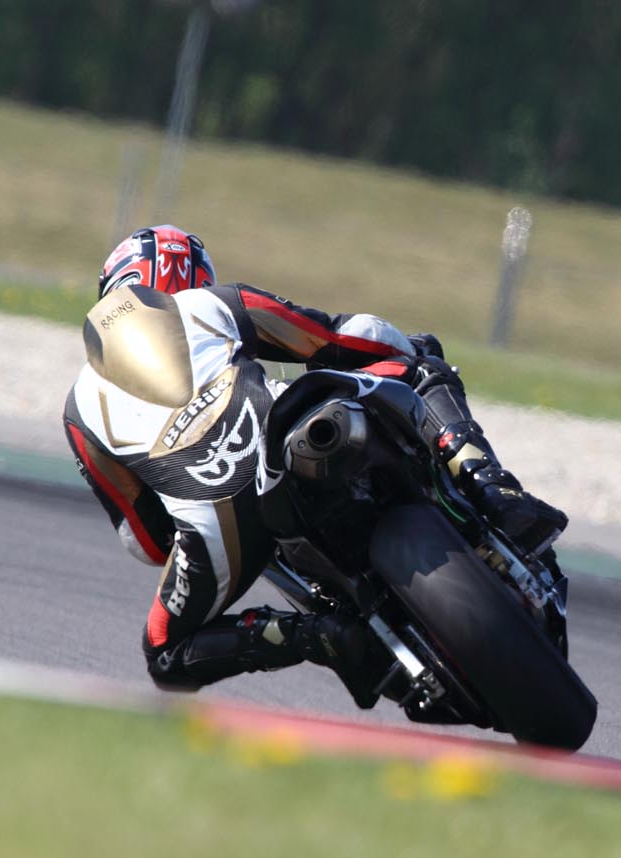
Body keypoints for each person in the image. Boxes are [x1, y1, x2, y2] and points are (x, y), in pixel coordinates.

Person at [62, 224, 566, 695]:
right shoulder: (209, 303)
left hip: (220, 531)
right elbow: (337, 337)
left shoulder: (78, 412)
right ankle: (492, 488)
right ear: (192, 276)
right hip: (287, 435)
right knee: (421, 364)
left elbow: (148, 542)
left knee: (165, 652)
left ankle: (316, 634)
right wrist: (409, 348)